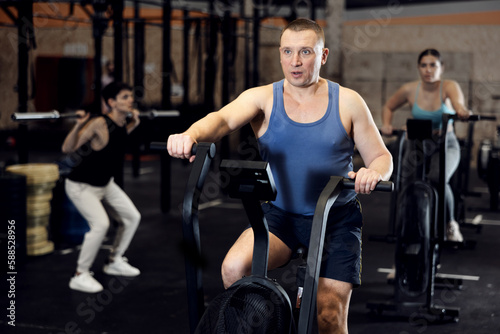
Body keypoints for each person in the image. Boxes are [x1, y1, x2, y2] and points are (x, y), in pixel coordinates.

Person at [168, 18, 392, 333]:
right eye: (287, 51)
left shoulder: (349, 102)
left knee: (328, 315)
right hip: (280, 218)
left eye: (305, 52)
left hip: (335, 220)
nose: (295, 61)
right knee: (234, 268)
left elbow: (382, 157)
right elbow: (221, 120)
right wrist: (190, 134)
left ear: (323, 55)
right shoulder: (262, 98)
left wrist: (373, 173)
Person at [381, 48, 470, 243]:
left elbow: (458, 103)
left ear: (441, 68)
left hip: (445, 142)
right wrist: (387, 124)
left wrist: (462, 111)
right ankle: (405, 230)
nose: (428, 70)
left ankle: (450, 224)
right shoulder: (410, 89)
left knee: (438, 179)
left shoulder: (448, 86)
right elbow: (388, 106)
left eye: (433, 65)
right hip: (417, 143)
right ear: (418, 68)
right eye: (424, 65)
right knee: (406, 182)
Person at [62, 82, 142, 293]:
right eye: (125, 97)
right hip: (81, 186)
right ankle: (79, 275)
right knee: (100, 225)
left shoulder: (123, 122)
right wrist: (79, 125)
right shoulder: (98, 123)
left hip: (105, 184)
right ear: (111, 102)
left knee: (132, 217)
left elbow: (119, 137)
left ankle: (114, 260)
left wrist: (134, 122)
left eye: (130, 96)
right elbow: (68, 148)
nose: (130, 100)